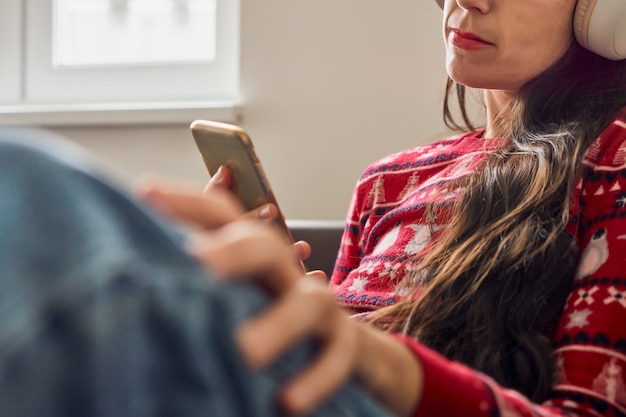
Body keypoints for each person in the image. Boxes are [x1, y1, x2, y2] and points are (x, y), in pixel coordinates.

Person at [1, 1, 626, 417]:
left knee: (31, 187)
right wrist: (284, 304)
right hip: (302, 393)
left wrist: (365, 355)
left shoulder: (614, 161)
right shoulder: (389, 180)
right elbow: (335, 343)